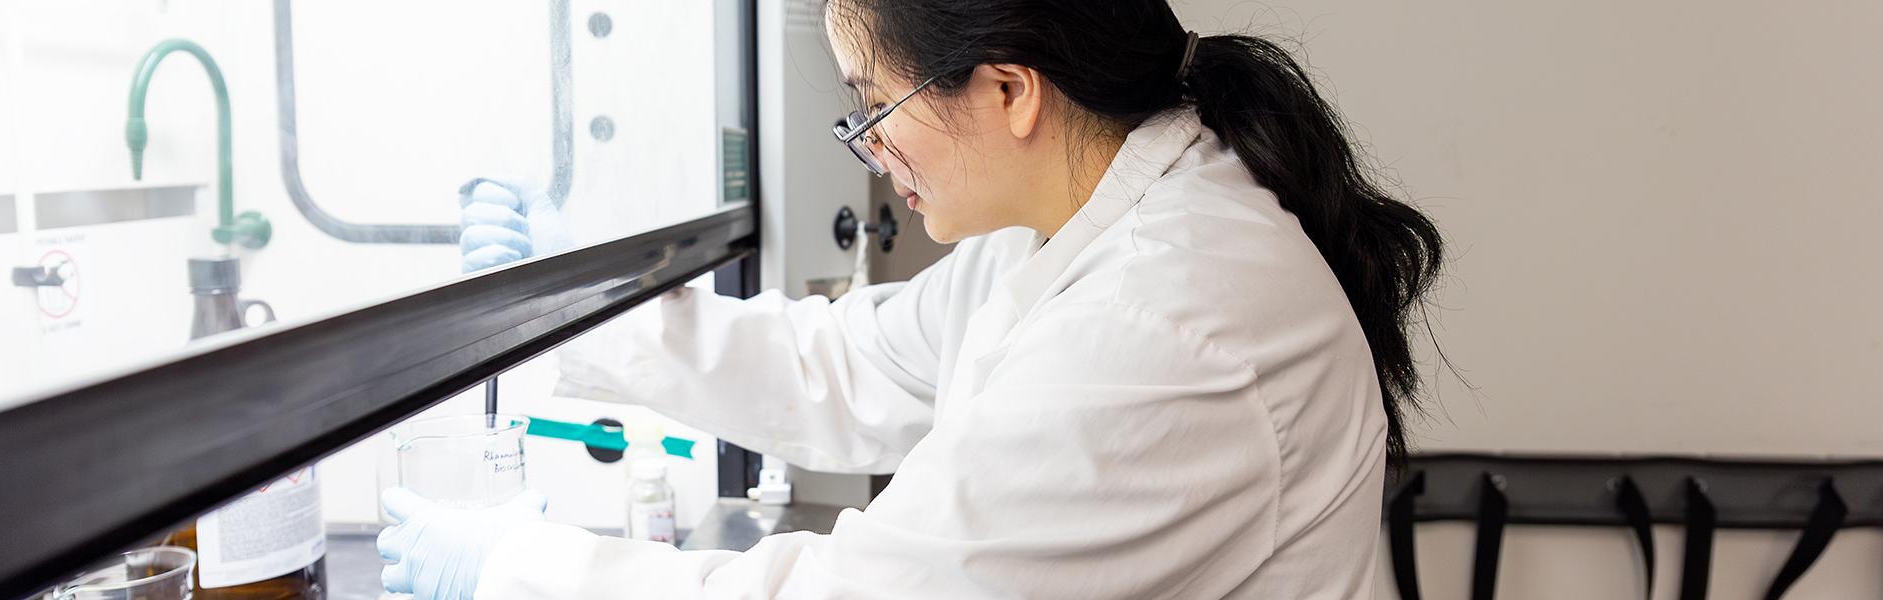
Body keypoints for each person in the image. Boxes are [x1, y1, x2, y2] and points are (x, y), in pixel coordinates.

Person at [379, 0, 1446, 597]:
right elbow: (848, 364)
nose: (872, 148)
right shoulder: (1082, 229)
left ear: (1010, 90)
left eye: (872, 106)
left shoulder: (1163, 324)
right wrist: (595, 300)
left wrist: (517, 571)